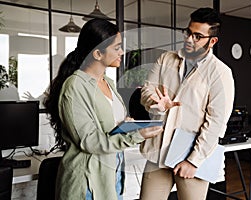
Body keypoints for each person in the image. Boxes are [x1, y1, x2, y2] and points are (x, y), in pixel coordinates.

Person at [43, 19, 163, 200]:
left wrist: (128, 125)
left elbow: (109, 128)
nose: (122, 52)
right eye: (117, 48)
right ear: (98, 53)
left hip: (111, 176)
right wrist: (137, 135)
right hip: (87, 183)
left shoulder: (108, 83)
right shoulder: (75, 86)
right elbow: (90, 142)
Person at [139, 7, 235, 200]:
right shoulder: (166, 58)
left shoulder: (221, 73)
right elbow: (146, 91)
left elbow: (216, 123)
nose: (190, 39)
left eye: (198, 36)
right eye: (188, 33)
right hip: (158, 151)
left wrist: (194, 161)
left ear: (212, 41)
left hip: (191, 154)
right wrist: (156, 102)